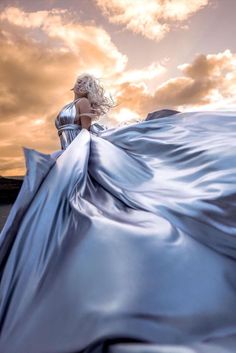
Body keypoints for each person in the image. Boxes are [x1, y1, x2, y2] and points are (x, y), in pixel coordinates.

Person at [0, 73, 236, 353]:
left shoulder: (83, 102)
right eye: (76, 81)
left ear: (85, 87)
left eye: (79, 81)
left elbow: (86, 132)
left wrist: (80, 157)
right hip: (66, 153)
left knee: (89, 200)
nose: (74, 84)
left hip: (78, 151)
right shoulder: (72, 102)